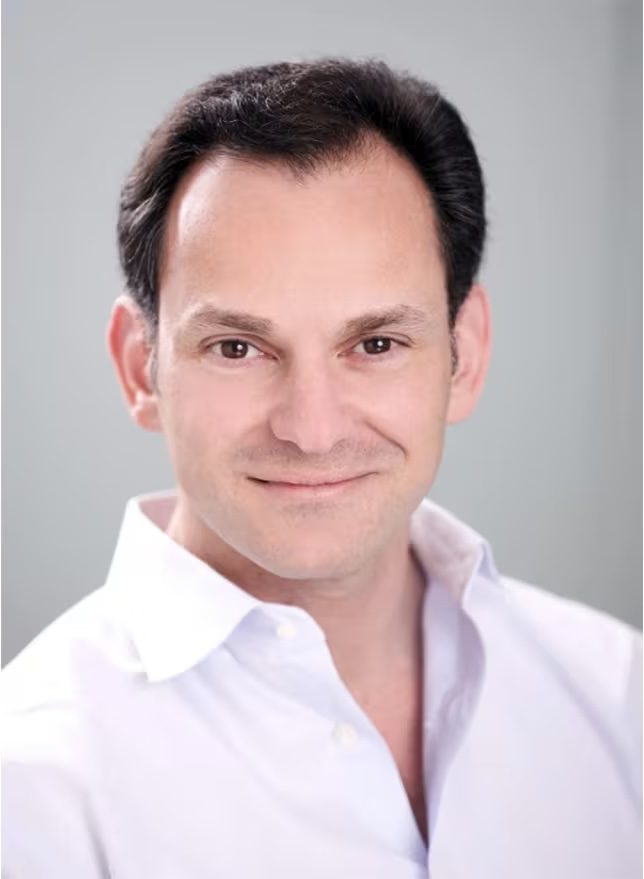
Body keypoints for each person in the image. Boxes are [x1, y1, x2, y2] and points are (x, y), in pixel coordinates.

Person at [2, 57, 641, 879]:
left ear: (464, 354)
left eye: (375, 344)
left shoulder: (621, 697)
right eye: (237, 347)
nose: (312, 428)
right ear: (140, 369)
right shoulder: (30, 788)